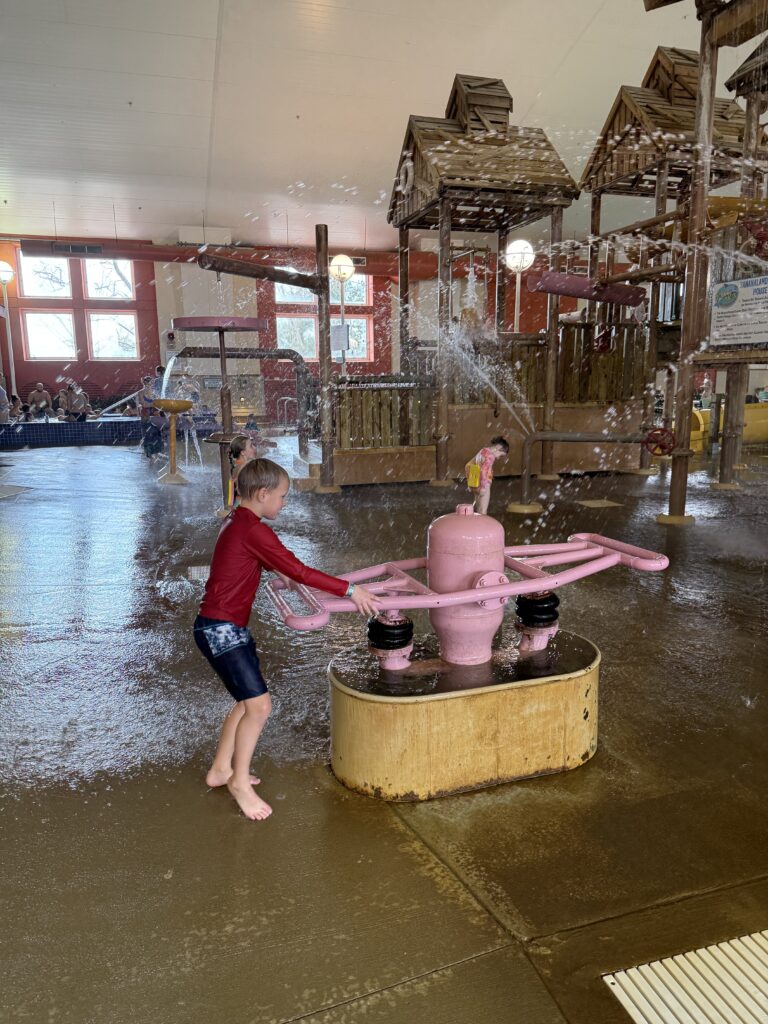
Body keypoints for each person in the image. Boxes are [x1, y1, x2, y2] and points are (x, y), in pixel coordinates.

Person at [194, 458, 379, 820]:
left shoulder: (238, 521)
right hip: (221, 630)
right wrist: (350, 590)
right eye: (281, 497)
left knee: (246, 703)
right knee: (260, 706)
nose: (283, 503)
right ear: (262, 494)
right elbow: (299, 568)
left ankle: (220, 770)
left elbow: (256, 560)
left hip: (220, 626)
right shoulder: (253, 529)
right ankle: (239, 783)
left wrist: (281, 571)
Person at [465, 436, 510, 515]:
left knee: (478, 509)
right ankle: (482, 526)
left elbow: (469, 465)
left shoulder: (483, 451)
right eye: (501, 455)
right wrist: (483, 487)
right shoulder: (490, 456)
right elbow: (483, 471)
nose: (499, 458)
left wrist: (471, 484)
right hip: (484, 484)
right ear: (497, 447)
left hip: (475, 482)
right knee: (483, 511)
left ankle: (477, 526)